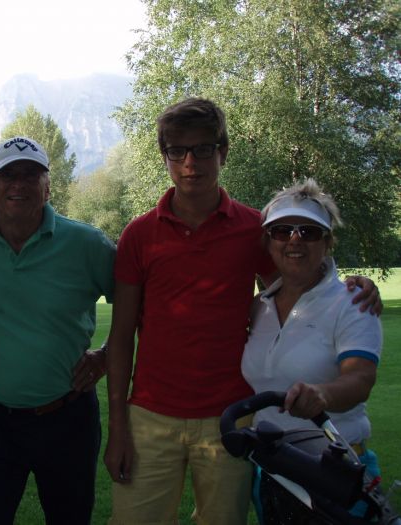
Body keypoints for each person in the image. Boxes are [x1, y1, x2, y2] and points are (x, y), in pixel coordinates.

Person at [103, 98, 382, 525]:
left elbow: (298, 280)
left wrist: (348, 286)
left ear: (223, 152)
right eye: (177, 150)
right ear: (164, 156)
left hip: (231, 417)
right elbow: (121, 336)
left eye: (203, 149)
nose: (190, 162)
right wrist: (117, 426)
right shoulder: (139, 235)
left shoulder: (253, 229)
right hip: (150, 415)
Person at [0, 136, 116, 525]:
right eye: (8, 175)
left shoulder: (87, 244)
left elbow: (132, 302)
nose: (18, 184)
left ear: (48, 187)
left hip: (67, 418)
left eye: (30, 174)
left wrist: (105, 355)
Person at [241, 179, 382, 520]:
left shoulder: (352, 303)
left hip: (335, 471)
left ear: (328, 242)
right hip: (273, 469)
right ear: (268, 241)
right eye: (282, 231)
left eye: (309, 232)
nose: (294, 240)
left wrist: (322, 394)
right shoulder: (259, 307)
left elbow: (360, 379)